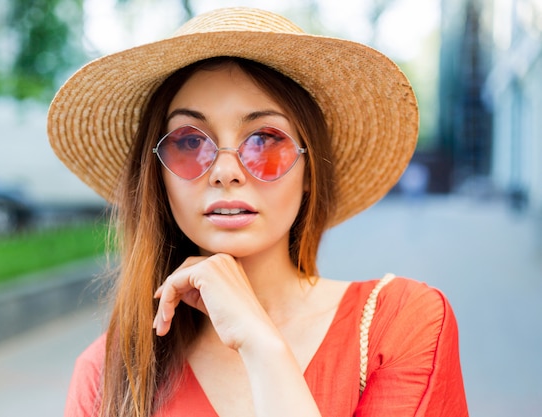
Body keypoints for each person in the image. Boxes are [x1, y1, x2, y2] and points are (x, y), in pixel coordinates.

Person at [48, 7, 468, 417]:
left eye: (264, 139)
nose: (225, 171)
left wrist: (261, 345)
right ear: (158, 176)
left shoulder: (400, 323)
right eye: (190, 142)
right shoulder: (108, 373)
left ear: (309, 170)